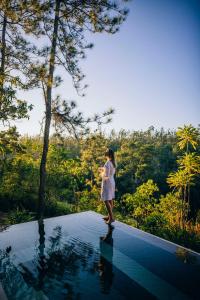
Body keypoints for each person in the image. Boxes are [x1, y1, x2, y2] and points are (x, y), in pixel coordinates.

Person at [99, 148, 116, 225]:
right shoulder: (113, 162)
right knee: (110, 199)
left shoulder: (107, 163)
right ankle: (109, 216)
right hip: (112, 181)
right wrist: (103, 169)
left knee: (106, 200)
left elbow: (106, 176)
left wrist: (101, 173)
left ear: (107, 155)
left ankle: (111, 218)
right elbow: (110, 172)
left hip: (107, 182)